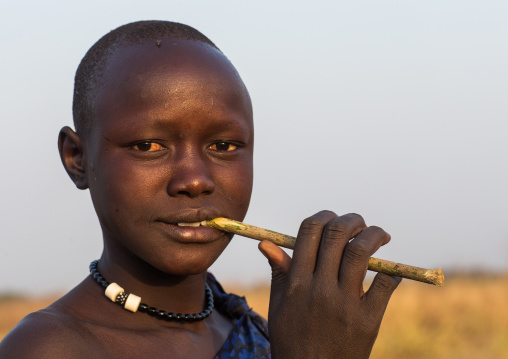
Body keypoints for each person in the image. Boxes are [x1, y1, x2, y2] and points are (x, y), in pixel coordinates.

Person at [0, 20, 401, 358]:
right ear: (77, 158)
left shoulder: (256, 333)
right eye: (148, 146)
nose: (195, 180)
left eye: (223, 146)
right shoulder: (49, 348)